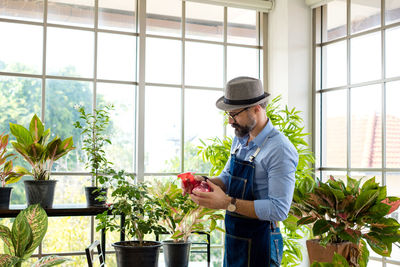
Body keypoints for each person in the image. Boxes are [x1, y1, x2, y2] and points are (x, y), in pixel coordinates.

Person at [182, 76, 298, 267]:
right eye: (228, 114)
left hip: (262, 241)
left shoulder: (280, 149)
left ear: (256, 108)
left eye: (234, 114)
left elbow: (279, 209)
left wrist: (227, 203)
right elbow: (227, 178)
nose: (230, 121)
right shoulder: (240, 139)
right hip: (236, 239)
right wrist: (202, 181)